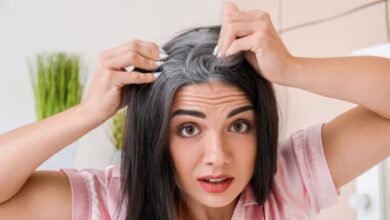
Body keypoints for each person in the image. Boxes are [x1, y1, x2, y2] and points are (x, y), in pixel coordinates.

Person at [1, 2, 390, 220]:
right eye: (188, 129)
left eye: (238, 125)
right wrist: (87, 113)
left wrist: (293, 68)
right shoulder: (110, 202)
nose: (218, 157)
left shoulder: (283, 185)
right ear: (157, 135)